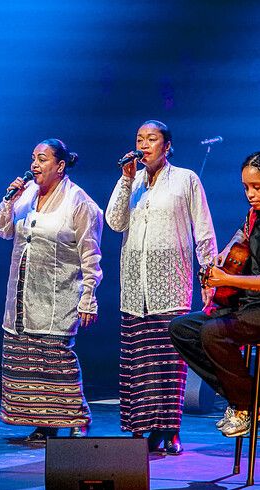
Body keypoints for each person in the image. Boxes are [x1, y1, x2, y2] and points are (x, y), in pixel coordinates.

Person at [169, 150, 260, 438]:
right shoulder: (256, 215)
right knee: (182, 328)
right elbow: (241, 237)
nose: (250, 194)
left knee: (214, 333)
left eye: (257, 187)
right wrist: (224, 256)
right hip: (253, 303)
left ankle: (244, 402)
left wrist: (230, 279)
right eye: (246, 187)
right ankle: (249, 401)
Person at [105, 120, 217, 455]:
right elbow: (114, 222)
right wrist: (125, 181)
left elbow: (204, 230)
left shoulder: (185, 180)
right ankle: (144, 430)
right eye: (139, 138)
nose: (144, 144)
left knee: (169, 362)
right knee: (139, 365)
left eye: (151, 139)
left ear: (167, 146)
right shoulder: (132, 181)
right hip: (134, 289)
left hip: (170, 286)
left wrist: (209, 276)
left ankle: (171, 429)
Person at [0, 138, 103, 442]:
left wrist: (88, 298)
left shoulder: (79, 203)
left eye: (42, 159)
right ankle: (44, 424)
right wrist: (8, 201)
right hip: (22, 294)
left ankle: (79, 418)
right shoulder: (25, 195)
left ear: (60, 165)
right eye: (33, 159)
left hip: (59, 294)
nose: (35, 165)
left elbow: (91, 255)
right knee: (27, 360)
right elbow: (1, 229)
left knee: (55, 360)